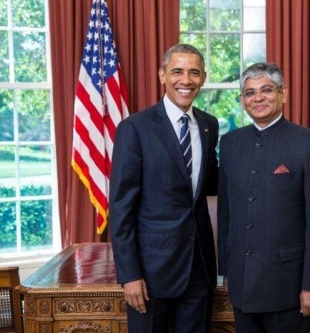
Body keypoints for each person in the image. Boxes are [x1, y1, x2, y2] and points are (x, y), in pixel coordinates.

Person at [217, 63, 310, 333]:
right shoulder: (230, 143)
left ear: (283, 93)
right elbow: (227, 214)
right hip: (242, 283)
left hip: (289, 287)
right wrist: (226, 272)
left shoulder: (309, 144)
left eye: (266, 90)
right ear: (242, 100)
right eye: (249, 93)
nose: (257, 98)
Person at [109, 43, 219, 333]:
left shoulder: (209, 125)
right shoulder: (135, 128)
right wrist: (129, 275)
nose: (186, 80)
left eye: (194, 72)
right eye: (177, 71)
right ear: (162, 75)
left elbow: (212, 182)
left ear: (203, 78)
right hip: (150, 272)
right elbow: (121, 208)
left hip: (199, 267)